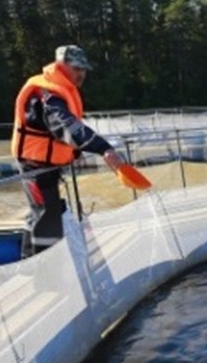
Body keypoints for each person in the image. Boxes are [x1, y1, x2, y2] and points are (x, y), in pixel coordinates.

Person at [11, 44, 124, 248]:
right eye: (77, 68)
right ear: (60, 65)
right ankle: (39, 267)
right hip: (34, 166)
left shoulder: (60, 90)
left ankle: (39, 262)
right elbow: (66, 127)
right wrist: (104, 148)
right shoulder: (46, 94)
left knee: (46, 210)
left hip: (47, 166)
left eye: (84, 69)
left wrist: (75, 151)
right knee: (47, 214)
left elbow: (59, 134)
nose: (82, 73)